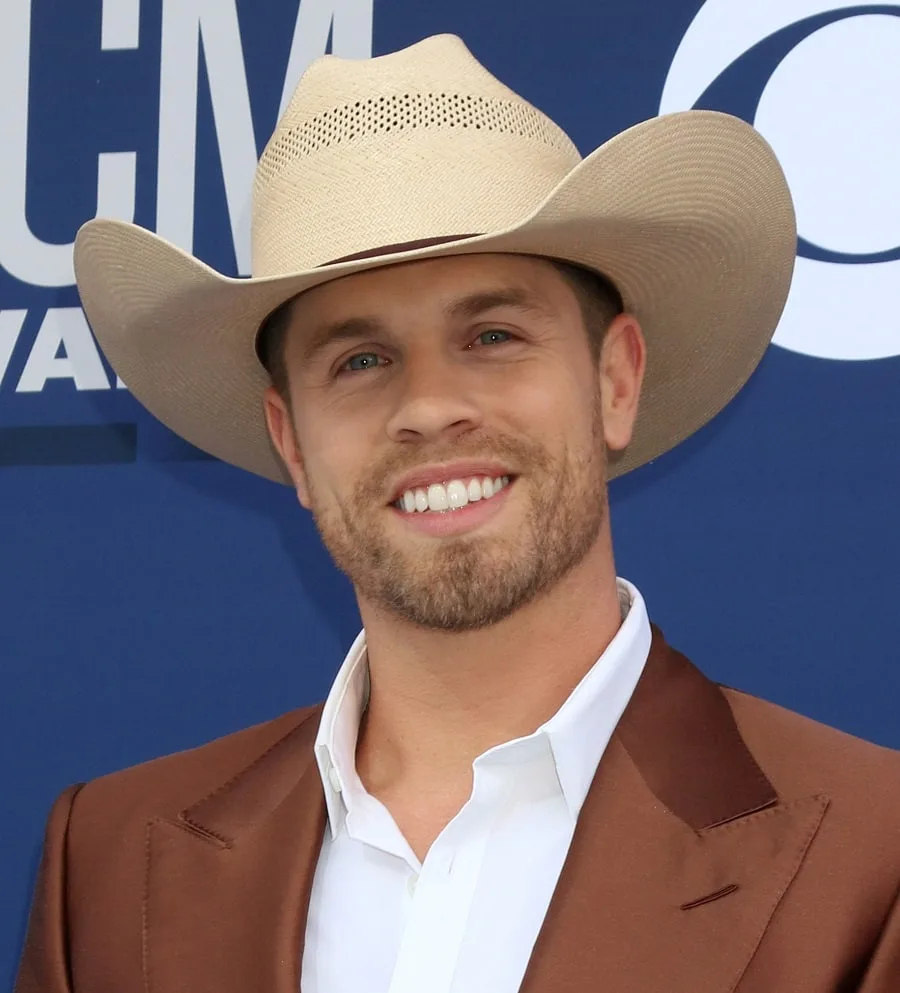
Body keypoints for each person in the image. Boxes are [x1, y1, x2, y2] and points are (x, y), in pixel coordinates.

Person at [15, 33, 900, 993]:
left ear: (615, 379)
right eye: (359, 359)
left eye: (492, 334)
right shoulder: (106, 866)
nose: (430, 406)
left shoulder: (870, 857)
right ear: (293, 441)